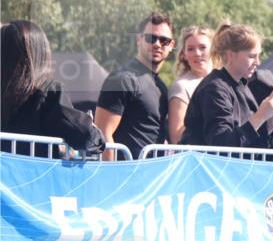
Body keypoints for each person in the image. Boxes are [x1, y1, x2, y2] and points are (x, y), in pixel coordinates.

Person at [1, 20, 105, 157]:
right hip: (35, 176)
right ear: (41, 52)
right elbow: (87, 138)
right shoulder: (49, 92)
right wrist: (93, 128)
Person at [181, 23, 273, 147]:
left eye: (258, 56)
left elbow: (249, 143)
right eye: (251, 56)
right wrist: (260, 116)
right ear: (231, 55)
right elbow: (221, 144)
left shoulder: (242, 86)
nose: (258, 62)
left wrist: (272, 123)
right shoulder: (214, 89)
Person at [95, 12, 174, 159]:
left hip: (150, 176)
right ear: (139, 39)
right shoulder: (122, 79)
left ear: (171, 45)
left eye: (164, 40)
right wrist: (110, 176)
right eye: (151, 38)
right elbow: (103, 132)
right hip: (123, 176)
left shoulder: (162, 87)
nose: (157, 44)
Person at [167, 25, 214, 143]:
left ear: (213, 49)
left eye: (203, 47)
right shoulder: (182, 86)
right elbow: (176, 137)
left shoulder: (225, 81)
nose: (197, 53)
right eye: (191, 49)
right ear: (184, 54)